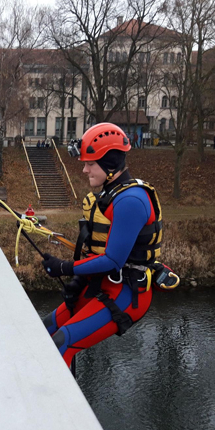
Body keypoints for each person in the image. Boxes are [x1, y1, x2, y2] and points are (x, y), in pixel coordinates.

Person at [40, 122, 164, 370]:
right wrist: (80, 281)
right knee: (43, 331)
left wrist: (65, 268)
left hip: (127, 293)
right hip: (104, 284)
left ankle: (61, 408)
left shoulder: (130, 200)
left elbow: (112, 260)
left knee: (61, 343)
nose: (85, 170)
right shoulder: (110, 195)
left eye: (90, 164)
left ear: (110, 165)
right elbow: (98, 252)